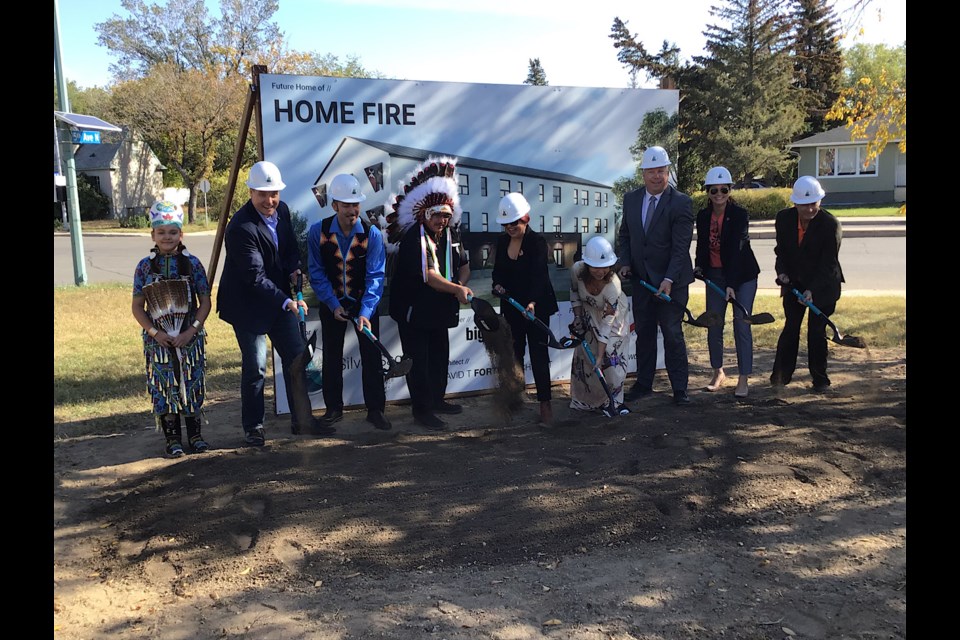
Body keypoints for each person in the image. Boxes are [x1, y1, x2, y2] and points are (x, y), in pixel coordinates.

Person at [217, 160, 336, 446]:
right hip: (247, 307)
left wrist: (294, 268)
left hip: (278, 300)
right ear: (250, 192)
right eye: (262, 193)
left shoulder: (281, 211)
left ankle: (303, 421)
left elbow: (290, 250)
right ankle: (254, 427)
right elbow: (255, 278)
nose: (269, 200)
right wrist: (287, 302)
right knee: (256, 367)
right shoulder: (240, 228)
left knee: (296, 359)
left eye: (274, 193)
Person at [386, 157, 474, 431]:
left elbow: (465, 266)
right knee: (419, 362)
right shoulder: (415, 237)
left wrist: (461, 282)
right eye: (438, 215)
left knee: (439, 357)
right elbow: (430, 277)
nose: (443, 220)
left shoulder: (451, 235)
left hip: (437, 310)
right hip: (413, 311)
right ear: (425, 214)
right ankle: (421, 410)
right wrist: (457, 289)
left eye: (447, 215)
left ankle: (437, 400)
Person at [307, 173, 391, 430]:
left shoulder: (371, 234)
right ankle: (333, 409)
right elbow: (316, 272)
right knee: (332, 355)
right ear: (334, 205)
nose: (352, 210)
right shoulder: (317, 232)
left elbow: (376, 275)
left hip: (363, 303)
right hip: (332, 304)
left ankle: (375, 410)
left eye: (356, 204)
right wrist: (333, 304)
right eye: (346, 205)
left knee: (371, 356)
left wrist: (366, 310)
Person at [131, 200, 212, 457]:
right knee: (166, 385)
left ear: (181, 234)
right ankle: (172, 438)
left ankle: (196, 435)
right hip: (159, 341)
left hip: (189, 337)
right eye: (162, 232)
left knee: (191, 381)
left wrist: (192, 331)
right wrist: (156, 333)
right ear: (152, 234)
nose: (167, 237)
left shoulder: (193, 264)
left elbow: (206, 302)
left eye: (173, 232)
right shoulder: (144, 267)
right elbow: (137, 307)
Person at [617, 146, 695, 406]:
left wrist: (669, 280)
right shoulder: (631, 200)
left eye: (661, 171)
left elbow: (680, 247)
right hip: (642, 281)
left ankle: (680, 389)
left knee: (672, 334)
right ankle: (644, 383)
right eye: (651, 171)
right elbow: (625, 236)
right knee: (645, 333)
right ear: (643, 174)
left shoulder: (681, 202)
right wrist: (626, 262)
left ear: (668, 172)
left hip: (672, 283)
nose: (657, 176)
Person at [770, 176, 845, 392]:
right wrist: (782, 273)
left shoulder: (830, 225)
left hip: (824, 286)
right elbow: (781, 251)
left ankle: (820, 379)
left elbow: (829, 264)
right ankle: (781, 377)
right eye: (805, 204)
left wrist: (812, 290)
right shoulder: (784, 219)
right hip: (794, 283)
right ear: (795, 203)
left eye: (814, 203)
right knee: (791, 328)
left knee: (816, 331)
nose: (810, 209)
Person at [491, 192, 559, 425]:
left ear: (526, 219)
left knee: (539, 357)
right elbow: (497, 271)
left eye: (514, 223)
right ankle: (514, 400)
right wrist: (497, 284)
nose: (510, 227)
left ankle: (545, 404)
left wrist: (532, 302)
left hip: (535, 308)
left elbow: (539, 275)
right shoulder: (501, 242)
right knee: (513, 356)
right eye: (506, 224)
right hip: (511, 308)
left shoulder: (537, 242)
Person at [694, 166, 762, 399]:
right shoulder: (703, 216)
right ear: (708, 192)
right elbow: (702, 245)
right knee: (714, 323)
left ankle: (743, 377)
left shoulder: (740, 214)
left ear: (730, 190)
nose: (719, 194)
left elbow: (737, 250)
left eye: (724, 189)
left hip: (742, 276)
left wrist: (731, 284)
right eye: (714, 190)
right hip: (714, 275)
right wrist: (699, 266)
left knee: (741, 324)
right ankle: (718, 372)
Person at [569, 236, 631, 414]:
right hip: (588, 311)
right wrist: (578, 317)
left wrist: (601, 355)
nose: (601, 271)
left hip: (613, 317)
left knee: (612, 356)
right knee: (586, 356)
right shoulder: (577, 271)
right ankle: (589, 401)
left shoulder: (613, 286)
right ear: (587, 264)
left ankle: (615, 402)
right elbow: (574, 292)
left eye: (605, 266)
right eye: (596, 266)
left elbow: (606, 324)